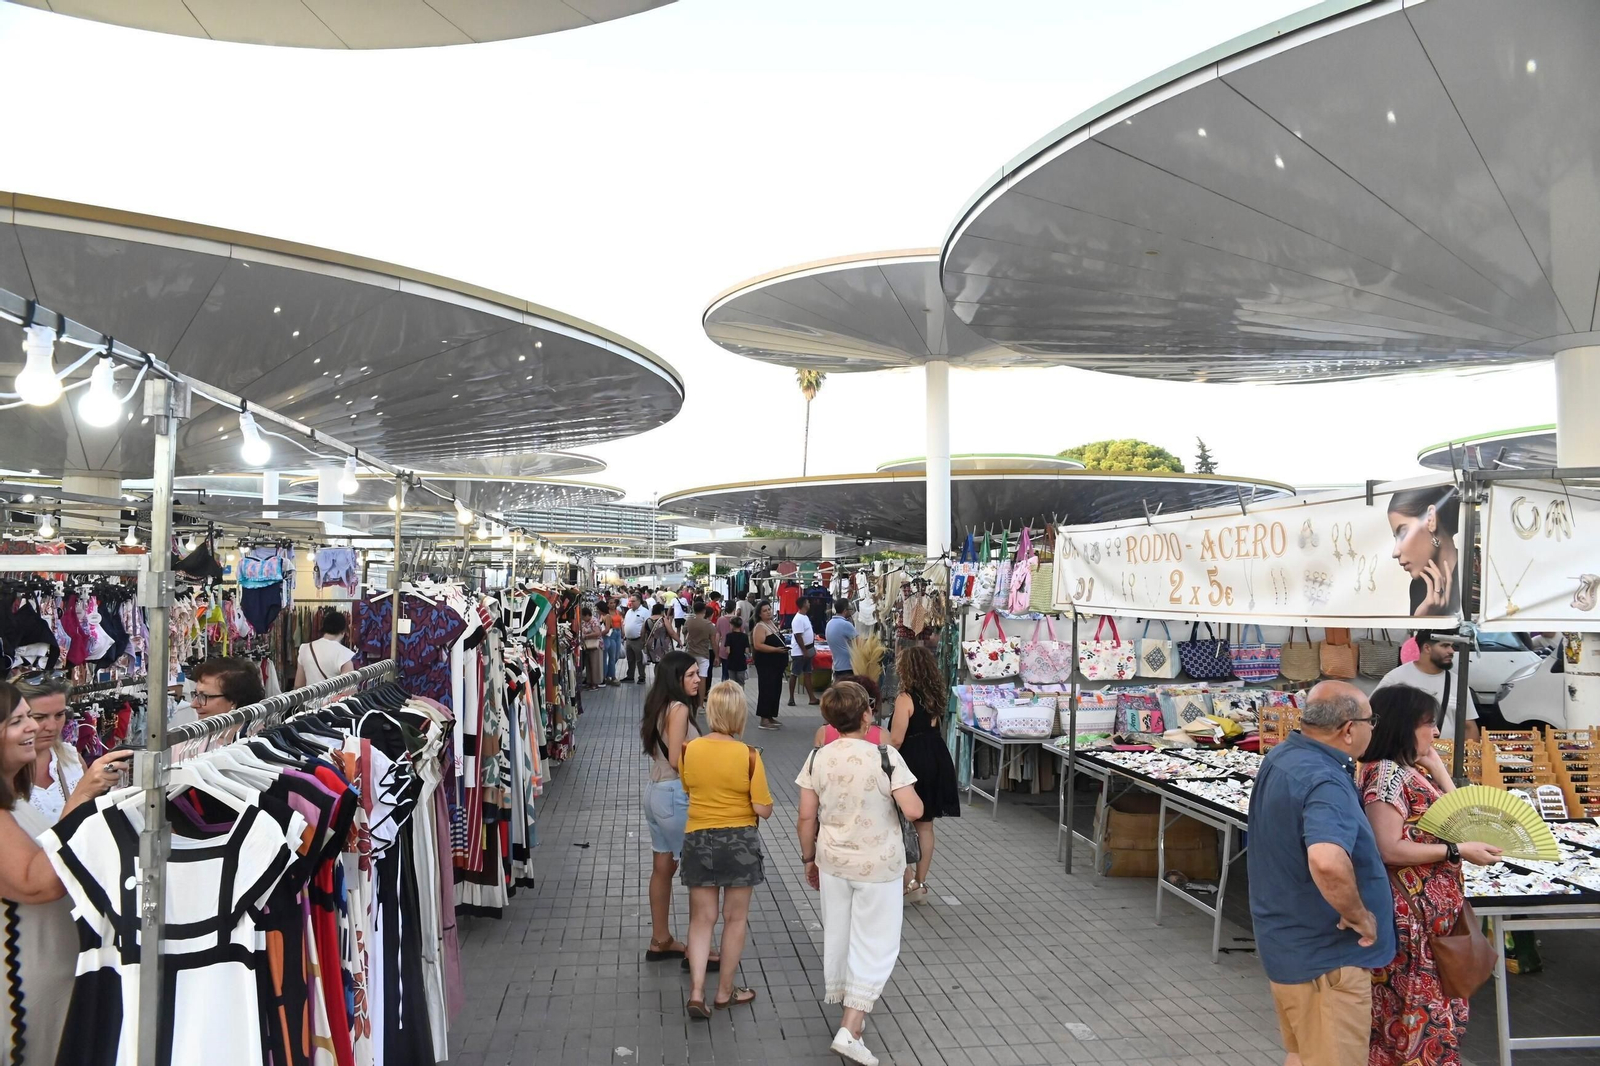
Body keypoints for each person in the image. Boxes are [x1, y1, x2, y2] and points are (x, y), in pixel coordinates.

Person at [1248, 681, 1395, 1066]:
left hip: (1291, 947)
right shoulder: (1324, 779)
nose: (1372, 729)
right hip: (1326, 962)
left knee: (1301, 1056)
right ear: (1349, 729)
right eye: (1370, 721)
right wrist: (1358, 915)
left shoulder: (1283, 756)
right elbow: (1327, 860)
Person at [1361, 685, 1502, 1066]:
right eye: (1427, 724)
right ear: (1403, 725)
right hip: (1412, 921)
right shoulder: (1385, 775)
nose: (1435, 732)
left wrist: (1438, 768)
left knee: (1430, 1017)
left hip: (1431, 921)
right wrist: (1456, 851)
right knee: (1411, 1015)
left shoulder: (1408, 770)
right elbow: (1388, 847)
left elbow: (1461, 820)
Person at [0, 682, 131, 1064]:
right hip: (18, 982)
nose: (34, 728)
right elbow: (38, 882)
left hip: (44, 968)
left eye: (31, 717)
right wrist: (81, 799)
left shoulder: (15, 801)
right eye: (17, 721)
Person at [796, 682, 922, 1066]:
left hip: (832, 861)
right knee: (877, 942)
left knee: (842, 934)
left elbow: (805, 816)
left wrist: (808, 858)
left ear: (828, 718)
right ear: (867, 715)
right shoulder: (884, 756)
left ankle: (850, 1015)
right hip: (880, 865)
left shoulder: (817, 757)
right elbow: (914, 810)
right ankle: (851, 1027)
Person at [678, 681, 772, 1018]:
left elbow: (689, 787)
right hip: (739, 842)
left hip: (698, 838)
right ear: (739, 714)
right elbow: (762, 808)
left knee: (702, 919)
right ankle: (724, 992)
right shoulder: (749, 755)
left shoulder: (688, 750)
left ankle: (696, 992)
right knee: (735, 919)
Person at [640, 651, 719, 970]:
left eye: (696, 674)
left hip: (656, 793)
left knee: (663, 866)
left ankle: (661, 940)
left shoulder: (658, 705)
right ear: (675, 678)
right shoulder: (678, 710)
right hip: (675, 794)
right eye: (690, 675)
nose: (697, 679)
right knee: (698, 872)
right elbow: (677, 759)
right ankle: (697, 950)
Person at [887, 644, 961, 902]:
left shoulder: (906, 697)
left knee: (899, 821)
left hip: (913, 760)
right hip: (937, 756)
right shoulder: (934, 695)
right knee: (926, 825)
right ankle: (920, 881)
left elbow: (896, 739)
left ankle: (907, 880)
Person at [1373, 630, 1478, 744]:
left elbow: (1468, 726)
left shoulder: (1457, 682)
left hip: (1447, 758)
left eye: (1452, 646)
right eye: (1445, 646)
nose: (1451, 651)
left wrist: (1471, 757)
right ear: (1427, 648)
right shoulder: (1396, 678)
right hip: (1406, 758)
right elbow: (1372, 715)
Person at [1387, 485, 1460, 618]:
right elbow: (1415, 639)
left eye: (1403, 533)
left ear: (1430, 520)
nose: (1395, 552)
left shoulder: (1478, 575)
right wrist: (1420, 619)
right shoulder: (1419, 586)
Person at [294, 608, 357, 688]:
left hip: (310, 700)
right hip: (334, 700)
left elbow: (298, 685)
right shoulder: (346, 655)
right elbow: (348, 689)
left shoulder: (305, 649)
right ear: (343, 631)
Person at [751, 602, 789, 730]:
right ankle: (764, 718)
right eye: (765, 610)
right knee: (767, 688)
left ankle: (771, 715)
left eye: (769, 609)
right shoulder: (760, 627)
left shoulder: (771, 624)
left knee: (775, 689)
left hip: (776, 664)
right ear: (760, 614)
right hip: (766, 663)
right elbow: (758, 645)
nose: (768, 612)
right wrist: (775, 650)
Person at [189, 657, 266, 719]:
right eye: (196, 694)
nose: (193, 704)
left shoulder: (251, 738)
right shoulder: (199, 736)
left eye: (204, 696)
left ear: (234, 701)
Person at [682, 603, 718, 710]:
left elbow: (684, 632)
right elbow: (713, 642)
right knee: (702, 679)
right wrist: (717, 656)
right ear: (704, 611)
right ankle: (700, 705)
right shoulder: (708, 625)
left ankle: (688, 701)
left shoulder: (689, 622)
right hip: (703, 654)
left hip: (690, 653)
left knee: (688, 677)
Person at [787, 596, 819, 707]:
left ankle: (812, 698)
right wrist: (804, 650)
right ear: (804, 604)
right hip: (800, 652)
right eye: (808, 602)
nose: (809, 603)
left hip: (807, 649)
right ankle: (791, 698)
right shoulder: (798, 619)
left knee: (808, 674)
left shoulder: (805, 617)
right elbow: (798, 636)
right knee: (794, 674)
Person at [824, 601, 858, 680]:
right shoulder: (845, 624)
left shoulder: (829, 623)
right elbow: (859, 643)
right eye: (850, 610)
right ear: (845, 611)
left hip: (837, 666)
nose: (851, 612)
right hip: (848, 666)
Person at [623, 595, 653, 684]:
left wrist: (645, 639)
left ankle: (641, 676)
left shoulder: (645, 612)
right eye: (630, 601)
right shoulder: (629, 611)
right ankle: (630, 676)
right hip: (628, 639)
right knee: (630, 659)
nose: (631, 603)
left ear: (639, 601)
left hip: (639, 639)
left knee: (640, 659)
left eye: (633, 601)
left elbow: (648, 625)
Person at [579, 606, 606, 690]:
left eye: (583, 616)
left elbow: (597, 633)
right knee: (589, 664)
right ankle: (590, 681)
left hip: (595, 645)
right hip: (588, 646)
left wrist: (586, 636)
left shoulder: (594, 621)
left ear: (587, 615)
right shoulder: (585, 622)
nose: (582, 618)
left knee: (595, 664)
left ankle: (595, 682)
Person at [721, 617, 750, 686]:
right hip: (741, 663)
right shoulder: (745, 636)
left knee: (732, 683)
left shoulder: (729, 636)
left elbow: (728, 651)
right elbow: (747, 651)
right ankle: (741, 695)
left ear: (733, 625)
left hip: (731, 662)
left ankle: (733, 696)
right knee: (741, 683)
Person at [604, 599, 625, 686]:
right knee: (612, 656)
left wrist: (623, 632)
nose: (613, 604)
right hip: (611, 634)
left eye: (614, 603)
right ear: (607, 604)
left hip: (618, 633)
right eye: (610, 603)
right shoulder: (606, 614)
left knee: (616, 656)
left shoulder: (618, 612)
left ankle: (608, 674)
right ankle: (613, 677)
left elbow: (621, 622)